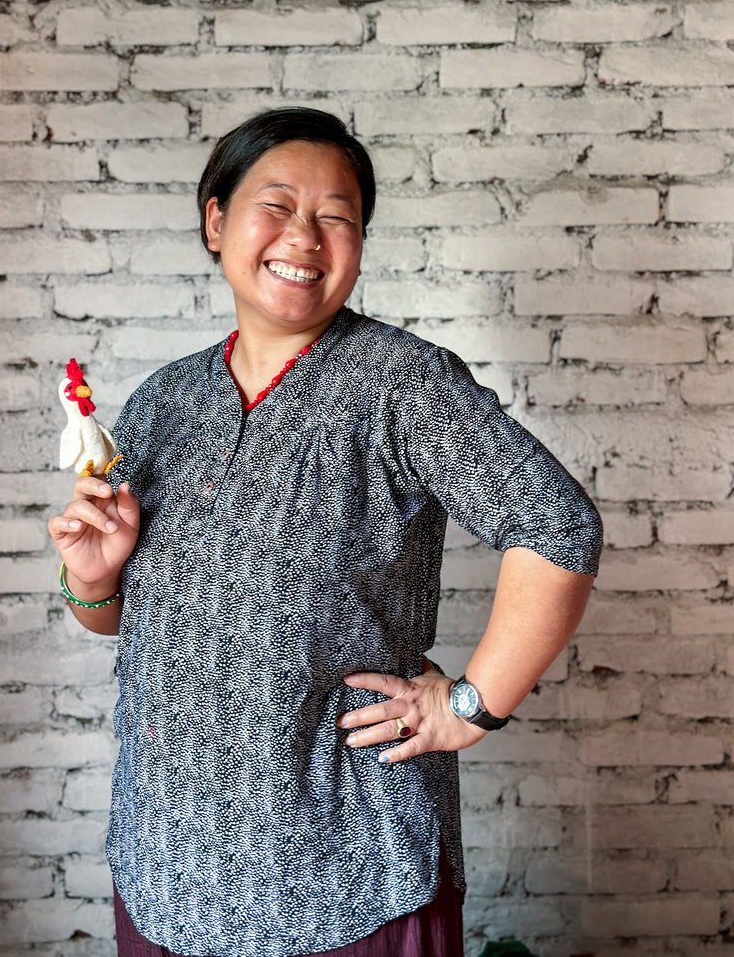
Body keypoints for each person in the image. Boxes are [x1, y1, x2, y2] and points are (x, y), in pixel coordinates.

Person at [48, 107, 602, 957]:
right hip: (166, 867)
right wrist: (93, 578)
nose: (305, 235)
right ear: (215, 221)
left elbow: (557, 525)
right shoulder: (163, 404)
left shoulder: (402, 384)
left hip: (347, 877)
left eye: (337, 215)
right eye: (276, 204)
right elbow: (119, 621)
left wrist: (469, 707)